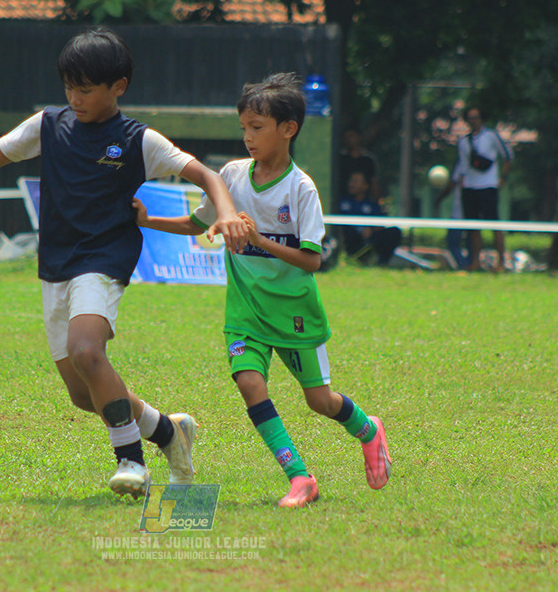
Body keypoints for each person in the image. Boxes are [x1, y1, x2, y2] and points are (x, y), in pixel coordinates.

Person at [0, 28, 249, 499]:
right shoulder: (49, 125)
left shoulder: (138, 140)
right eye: (68, 87)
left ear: (119, 87)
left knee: (88, 351)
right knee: (82, 393)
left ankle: (130, 460)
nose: (75, 97)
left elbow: (206, 175)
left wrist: (228, 213)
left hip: (104, 259)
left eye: (86, 89)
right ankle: (169, 433)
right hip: (56, 263)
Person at [135, 73, 391, 508]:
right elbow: (196, 224)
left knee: (320, 401)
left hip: (294, 312)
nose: (248, 137)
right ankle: (299, 477)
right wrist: (146, 221)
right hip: (245, 313)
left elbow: (313, 260)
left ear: (288, 129)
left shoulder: (301, 188)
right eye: (243, 128)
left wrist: (258, 241)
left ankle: (369, 430)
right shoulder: (231, 176)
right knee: (249, 383)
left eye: (257, 127)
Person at [454, 107, 513, 271]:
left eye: (476, 117)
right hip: (470, 187)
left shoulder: (491, 136)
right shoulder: (463, 142)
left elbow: (507, 157)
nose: (473, 121)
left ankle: (500, 262)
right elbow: (462, 166)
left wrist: (502, 178)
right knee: (473, 227)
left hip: (488, 186)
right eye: (470, 118)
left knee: (494, 225)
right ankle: (475, 262)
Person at [338, 171, 401, 266]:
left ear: (365, 186)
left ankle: (381, 262)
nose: (351, 184)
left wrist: (371, 229)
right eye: (350, 181)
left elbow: (380, 225)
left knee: (394, 232)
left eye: (355, 182)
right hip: (349, 238)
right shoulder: (341, 202)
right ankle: (349, 259)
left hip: (367, 239)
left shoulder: (372, 205)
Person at [337, 126, 381, 206]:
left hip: (364, 203)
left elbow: (374, 182)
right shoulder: (341, 159)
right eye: (345, 137)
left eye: (351, 136)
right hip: (342, 202)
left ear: (359, 137)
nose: (348, 140)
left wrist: (377, 203)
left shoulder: (368, 160)